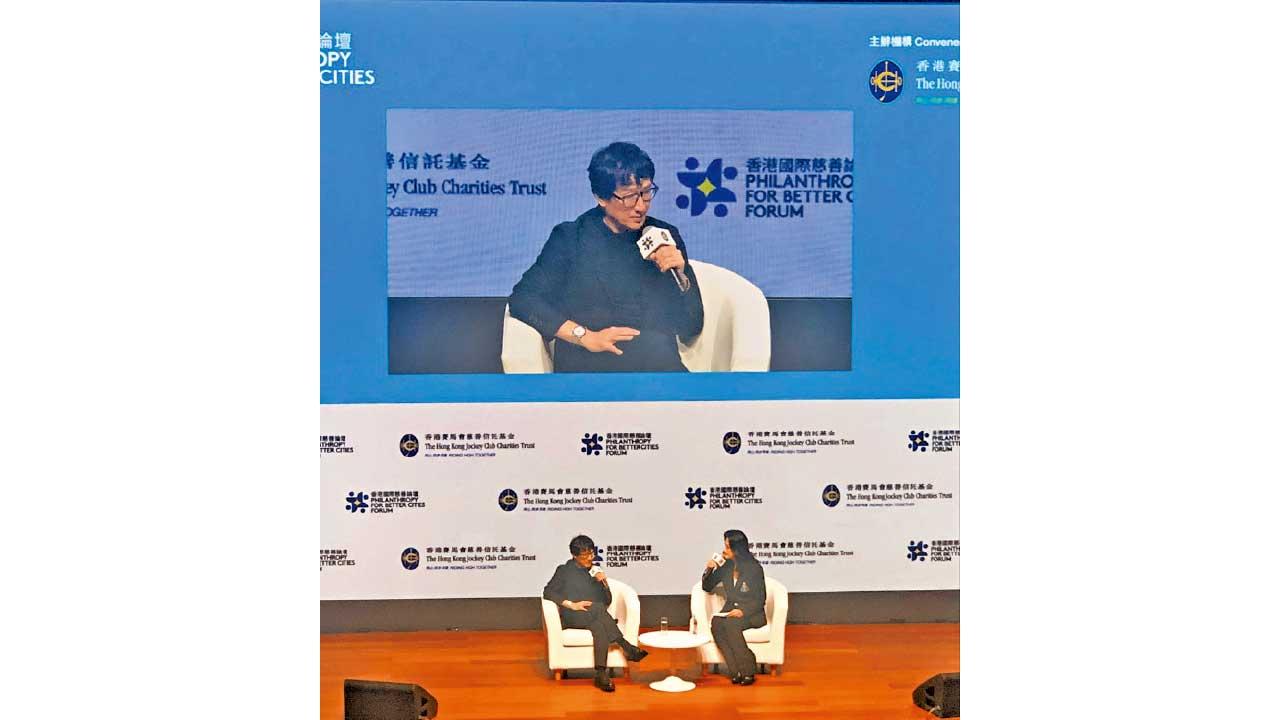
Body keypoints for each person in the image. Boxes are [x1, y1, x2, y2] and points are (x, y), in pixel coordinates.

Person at [509, 142, 704, 372]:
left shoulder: (664, 236)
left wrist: (682, 276)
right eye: (629, 196)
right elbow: (524, 299)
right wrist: (584, 336)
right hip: (591, 366)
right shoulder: (571, 238)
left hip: (656, 367)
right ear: (601, 197)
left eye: (646, 193)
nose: (641, 207)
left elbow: (692, 326)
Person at [542, 534, 648, 692]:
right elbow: (548, 592)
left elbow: (607, 601)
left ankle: (601, 674)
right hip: (573, 616)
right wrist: (571, 605)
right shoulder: (564, 570)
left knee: (600, 627)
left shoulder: (594, 570)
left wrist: (603, 583)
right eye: (585, 555)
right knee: (598, 609)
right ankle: (626, 646)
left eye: (592, 553)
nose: (590, 558)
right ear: (574, 555)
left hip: (595, 616)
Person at [701, 529, 767, 685]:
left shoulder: (754, 568)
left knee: (731, 624)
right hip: (730, 611)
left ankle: (748, 671)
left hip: (752, 613)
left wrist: (743, 611)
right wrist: (710, 569)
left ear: (737, 549)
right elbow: (707, 586)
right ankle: (735, 670)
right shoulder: (726, 566)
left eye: (728, 547)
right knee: (717, 623)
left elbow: (760, 599)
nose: (724, 550)